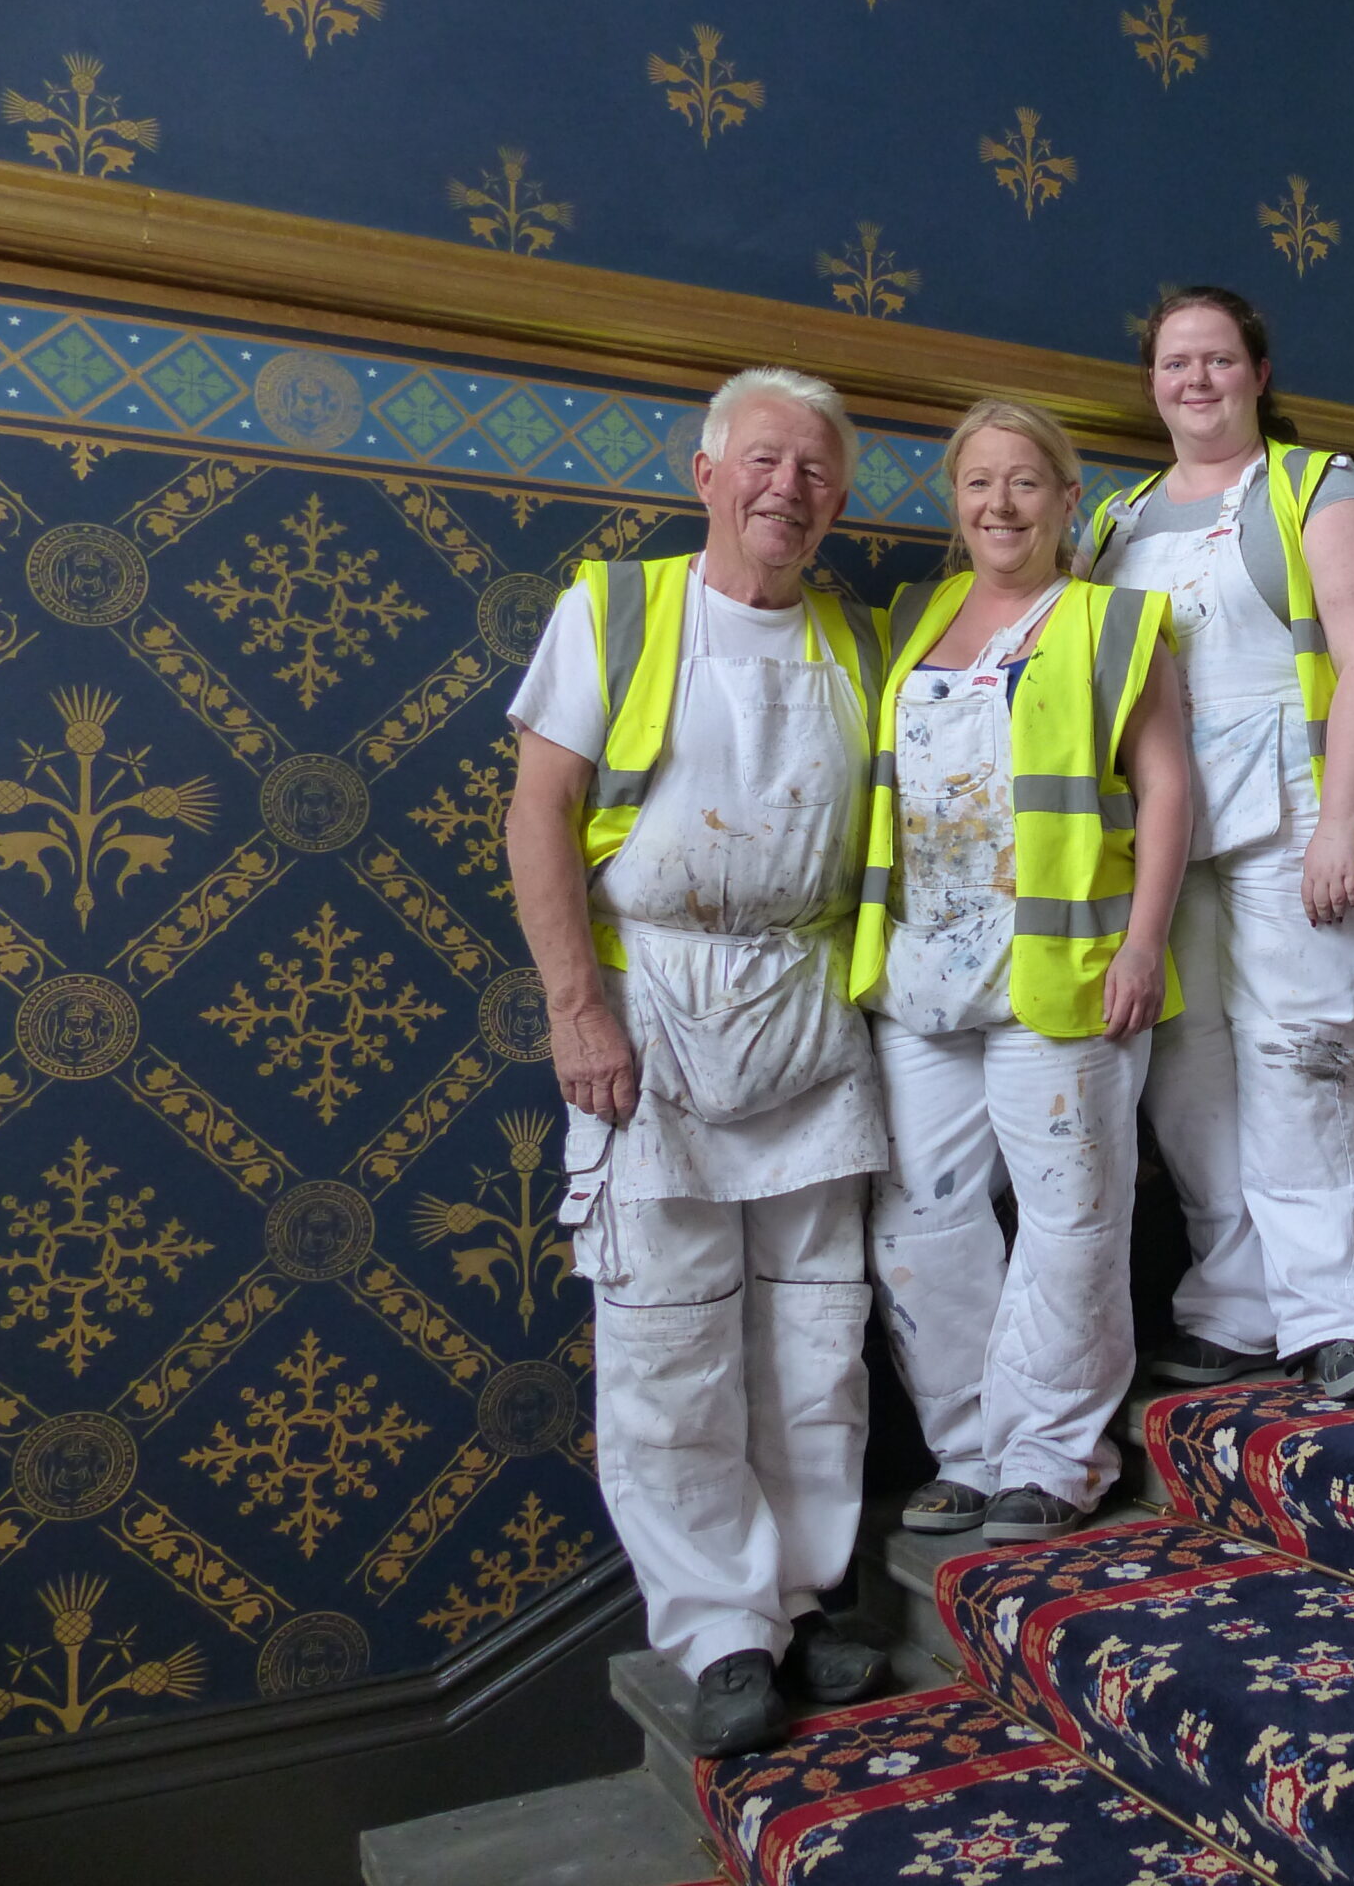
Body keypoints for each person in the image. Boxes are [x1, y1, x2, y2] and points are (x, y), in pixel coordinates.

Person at [505, 366, 889, 1758]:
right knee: (668, 1338)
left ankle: (803, 1594)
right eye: (765, 461)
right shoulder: (615, 611)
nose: (790, 489)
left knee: (816, 1332)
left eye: (817, 471)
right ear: (708, 474)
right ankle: (723, 1629)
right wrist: (577, 1011)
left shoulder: (862, 643)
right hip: (652, 1008)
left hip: (808, 1007)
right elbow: (539, 815)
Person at [854, 397, 1190, 1547]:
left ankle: (1053, 1457)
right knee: (915, 1219)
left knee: (1070, 1219)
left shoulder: (1110, 622)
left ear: (1065, 498)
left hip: (1065, 968)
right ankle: (969, 1446)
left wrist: (1143, 944)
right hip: (918, 976)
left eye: (1025, 482)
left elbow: (1167, 790)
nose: (1000, 504)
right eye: (978, 483)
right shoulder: (914, 618)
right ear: (955, 502)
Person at [1082, 286, 1354, 1401]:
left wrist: (1340, 826)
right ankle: (1234, 1303)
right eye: (1175, 362)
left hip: (1298, 809)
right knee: (1188, 1070)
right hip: (1166, 828)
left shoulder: (1317, 486)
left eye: (1218, 359)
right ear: (1152, 383)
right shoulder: (1115, 523)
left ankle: (1333, 1314)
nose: (1196, 379)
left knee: (1294, 1054)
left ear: (1258, 374)